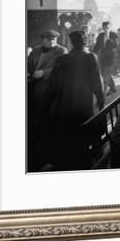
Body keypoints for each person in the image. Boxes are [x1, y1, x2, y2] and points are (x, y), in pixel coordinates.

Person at [45, 30, 105, 170]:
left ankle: (68, 160)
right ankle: (84, 159)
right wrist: (101, 100)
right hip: (84, 100)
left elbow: (53, 83)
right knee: (84, 127)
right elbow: (96, 82)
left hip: (65, 101)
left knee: (68, 129)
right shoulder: (90, 57)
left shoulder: (62, 59)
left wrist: (51, 101)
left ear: (70, 42)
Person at [26, 29, 67, 171]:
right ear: (42, 39)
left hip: (50, 91)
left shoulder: (62, 51)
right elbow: (29, 64)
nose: (51, 41)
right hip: (33, 89)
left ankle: (46, 155)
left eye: (53, 39)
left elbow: (61, 70)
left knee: (47, 122)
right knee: (34, 121)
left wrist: (44, 73)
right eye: (48, 39)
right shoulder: (35, 51)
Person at [100, 31, 119, 96]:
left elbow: (106, 54)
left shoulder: (109, 44)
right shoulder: (114, 46)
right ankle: (113, 88)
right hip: (109, 63)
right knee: (107, 77)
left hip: (107, 63)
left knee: (106, 78)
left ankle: (103, 93)